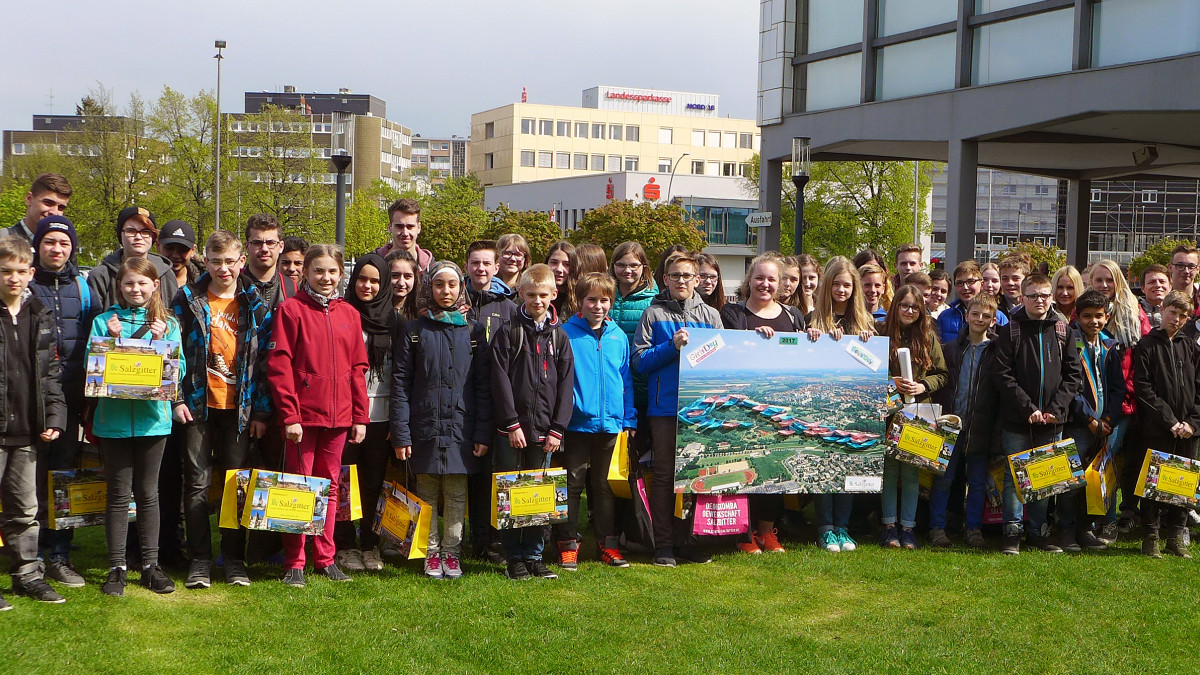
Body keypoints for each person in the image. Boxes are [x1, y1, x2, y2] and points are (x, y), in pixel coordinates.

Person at [172, 230, 273, 589]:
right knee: (197, 484)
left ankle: (233, 558)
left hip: (240, 410)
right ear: (206, 261)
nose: (223, 269)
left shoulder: (254, 303)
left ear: (241, 261)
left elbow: (264, 363)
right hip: (198, 406)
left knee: (235, 484)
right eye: (216, 262)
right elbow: (173, 351)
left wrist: (261, 413)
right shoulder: (187, 299)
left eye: (230, 261)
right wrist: (178, 399)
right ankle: (199, 561)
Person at [266, 244, 369, 587]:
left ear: (341, 274)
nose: (326, 278)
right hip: (303, 418)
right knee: (299, 486)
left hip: (339, 418)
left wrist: (359, 417)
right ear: (306, 272)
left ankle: (325, 558)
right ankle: (294, 562)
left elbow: (358, 368)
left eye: (332, 272)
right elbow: (280, 364)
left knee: (329, 489)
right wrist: (289, 415)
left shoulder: (349, 314)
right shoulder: (291, 310)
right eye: (319, 271)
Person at [89, 256, 185, 596]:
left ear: (155, 286)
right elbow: (94, 372)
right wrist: (110, 341)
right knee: (117, 496)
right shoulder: (104, 322)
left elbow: (178, 373)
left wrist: (162, 344)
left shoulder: (168, 324)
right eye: (129, 283)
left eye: (142, 283)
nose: (135, 289)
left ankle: (150, 566)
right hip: (112, 423)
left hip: (152, 424)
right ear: (120, 286)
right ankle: (116, 567)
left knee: (148, 494)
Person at [392, 261, 491, 580]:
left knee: (457, 494)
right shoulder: (414, 331)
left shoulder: (474, 332)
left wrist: (481, 432)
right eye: (438, 285)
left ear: (461, 287)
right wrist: (402, 435)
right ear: (429, 288)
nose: (445, 291)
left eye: (451, 285)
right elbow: (400, 384)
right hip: (425, 426)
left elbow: (482, 386)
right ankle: (431, 553)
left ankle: (452, 552)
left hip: (461, 426)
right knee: (427, 493)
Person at [634, 251, 722, 567]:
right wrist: (671, 346)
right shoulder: (652, 314)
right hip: (664, 408)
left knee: (697, 475)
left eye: (687, 276)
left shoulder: (711, 316)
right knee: (663, 477)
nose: (681, 281)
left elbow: (721, 363)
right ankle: (664, 545)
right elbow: (640, 362)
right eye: (675, 276)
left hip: (700, 409)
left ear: (697, 280)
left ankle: (690, 540)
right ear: (665, 280)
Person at [491, 264, 575, 579]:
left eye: (543, 295)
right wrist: (511, 424)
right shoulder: (508, 331)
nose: (537, 300)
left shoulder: (560, 337)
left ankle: (535, 555)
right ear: (521, 294)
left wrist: (558, 429)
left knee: (540, 491)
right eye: (531, 295)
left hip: (546, 431)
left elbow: (567, 386)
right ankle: (514, 556)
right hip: (511, 430)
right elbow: (498, 381)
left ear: (553, 294)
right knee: (513, 491)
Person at [989, 273, 1082, 555]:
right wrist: (1027, 408)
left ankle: (1037, 532)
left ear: (1051, 297)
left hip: (1053, 421)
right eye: (1033, 296)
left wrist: (1055, 410)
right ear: (1023, 298)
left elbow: (1073, 375)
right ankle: (1012, 532)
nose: (1039, 300)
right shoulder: (1011, 330)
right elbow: (1003, 375)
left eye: (1043, 295)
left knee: (1044, 476)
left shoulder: (1063, 330)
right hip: (1018, 419)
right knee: (1014, 477)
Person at [720, 255, 806, 554]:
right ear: (749, 280)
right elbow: (728, 348)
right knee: (744, 463)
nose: (765, 284)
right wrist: (750, 338)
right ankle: (744, 535)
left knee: (772, 466)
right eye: (759, 278)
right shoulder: (733, 312)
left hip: (779, 403)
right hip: (743, 401)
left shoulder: (793, 316)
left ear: (781, 283)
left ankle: (768, 533)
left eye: (771, 279)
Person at [0, 235, 67, 608]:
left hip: (28, 429)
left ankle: (27, 574)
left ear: (31, 273)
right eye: (6, 271)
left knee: (26, 509)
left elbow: (50, 372)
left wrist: (54, 416)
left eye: (20, 271)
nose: (13, 278)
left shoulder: (39, 312)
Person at [27, 217, 94, 589]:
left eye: (64, 243)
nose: (57, 249)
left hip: (69, 397)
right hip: (29, 398)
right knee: (29, 479)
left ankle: (59, 556)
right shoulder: (25, 286)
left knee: (63, 478)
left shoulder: (84, 290)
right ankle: (31, 554)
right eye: (50, 242)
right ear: (38, 245)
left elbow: (95, 342)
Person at [555, 272, 637, 568]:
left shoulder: (618, 337)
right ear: (580, 300)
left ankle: (607, 543)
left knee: (604, 486)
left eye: (604, 300)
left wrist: (628, 418)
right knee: (572, 484)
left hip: (612, 424)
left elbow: (625, 378)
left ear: (611, 302)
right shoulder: (566, 333)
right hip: (577, 423)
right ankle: (568, 543)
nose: (598, 306)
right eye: (592, 299)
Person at [805, 256, 875, 553]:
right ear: (827, 286)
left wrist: (867, 340)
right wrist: (813, 338)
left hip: (853, 404)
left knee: (847, 464)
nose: (842, 290)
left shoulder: (866, 321)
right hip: (821, 401)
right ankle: (825, 529)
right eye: (836, 284)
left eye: (847, 284)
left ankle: (843, 528)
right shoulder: (813, 319)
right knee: (824, 465)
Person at [333, 254, 398, 574]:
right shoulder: (342, 314)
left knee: (374, 481)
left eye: (374, 281)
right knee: (345, 481)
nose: (368, 286)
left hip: (382, 416)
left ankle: (370, 544)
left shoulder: (394, 320)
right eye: (362, 279)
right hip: (345, 414)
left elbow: (401, 373)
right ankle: (344, 545)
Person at [878, 285, 947, 550]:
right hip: (889, 413)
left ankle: (908, 528)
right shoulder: (881, 333)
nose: (909, 311)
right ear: (895, 307)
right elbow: (869, 372)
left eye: (915, 307)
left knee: (911, 473)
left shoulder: (927, 337)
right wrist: (891, 382)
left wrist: (923, 386)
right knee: (889, 471)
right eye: (904, 305)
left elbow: (942, 374)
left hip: (917, 413)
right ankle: (888, 526)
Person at [1134, 290, 1200, 558]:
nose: (1177, 319)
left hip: (1189, 431)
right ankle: (1151, 535)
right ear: (1163, 310)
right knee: (1154, 482)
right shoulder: (1146, 346)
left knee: (1182, 483)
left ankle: (1176, 535)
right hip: (1158, 427)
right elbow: (1144, 389)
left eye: (1183, 315)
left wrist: (1192, 423)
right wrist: (1169, 421)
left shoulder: (1192, 347)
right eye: (1173, 312)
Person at [1057, 290, 1124, 552]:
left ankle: (1086, 528)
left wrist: (1108, 418)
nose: (1093, 321)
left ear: (1106, 317)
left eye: (1099, 316)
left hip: (1104, 423)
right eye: (1087, 316)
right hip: (1079, 423)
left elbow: (1118, 388)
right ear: (1078, 316)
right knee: (1072, 479)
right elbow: (1069, 387)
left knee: (1093, 477)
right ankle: (1065, 530)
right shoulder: (1071, 342)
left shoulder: (1110, 346)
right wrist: (1089, 419)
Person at [929, 295, 998, 549]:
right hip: (950, 424)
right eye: (975, 314)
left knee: (978, 481)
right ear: (967, 315)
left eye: (986, 316)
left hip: (981, 426)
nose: (980, 319)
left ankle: (973, 529)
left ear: (993, 320)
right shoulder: (951, 349)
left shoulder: (996, 351)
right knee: (944, 478)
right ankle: (937, 527)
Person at [88, 206, 179, 310]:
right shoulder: (101, 276)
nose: (138, 237)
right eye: (131, 231)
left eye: (145, 232)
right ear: (120, 235)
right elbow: (93, 320)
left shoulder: (166, 274)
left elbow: (175, 318)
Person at [937, 260, 1008, 344]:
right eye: (960, 283)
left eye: (970, 282)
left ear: (982, 284)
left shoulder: (998, 317)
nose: (965, 287)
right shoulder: (945, 316)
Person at [240, 213, 298, 310]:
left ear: (281, 246)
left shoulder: (293, 289)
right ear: (247, 247)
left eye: (271, 243)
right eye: (257, 243)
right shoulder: (234, 285)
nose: (264, 249)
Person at [464, 240, 517, 342]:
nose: (481, 268)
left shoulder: (509, 309)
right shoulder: (455, 305)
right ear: (466, 267)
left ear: (496, 268)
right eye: (475, 263)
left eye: (486, 263)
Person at [5, 173, 70, 242]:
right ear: (29, 199)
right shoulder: (4, 241)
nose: (54, 212)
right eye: (48, 203)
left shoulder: (63, 247)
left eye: (61, 208)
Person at [373, 198, 433, 274]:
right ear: (390, 227)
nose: (405, 233)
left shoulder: (431, 270)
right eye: (399, 226)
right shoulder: (372, 265)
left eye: (410, 227)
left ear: (419, 227)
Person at [159, 220, 203, 288]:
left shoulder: (206, 282)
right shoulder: (146, 279)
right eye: (169, 248)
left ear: (193, 250)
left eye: (183, 250)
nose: (175, 255)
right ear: (158, 246)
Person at [546, 241, 579, 317]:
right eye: (554, 263)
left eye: (566, 264)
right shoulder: (533, 293)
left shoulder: (580, 298)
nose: (559, 269)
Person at [385, 249, 420, 319]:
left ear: (415, 279)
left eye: (407, 276)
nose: (401, 283)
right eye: (395, 276)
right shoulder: (374, 312)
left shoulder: (422, 313)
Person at [495, 233, 531, 300]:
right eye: (507, 253)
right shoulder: (487, 288)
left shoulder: (529, 291)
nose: (513, 259)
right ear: (497, 256)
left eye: (518, 255)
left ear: (525, 259)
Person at [1167, 244, 1200, 314]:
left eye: (1191, 266)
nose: (1186, 271)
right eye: (1180, 265)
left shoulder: (1198, 301)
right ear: (1170, 267)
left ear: (1198, 269)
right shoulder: (1161, 299)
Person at [997, 255, 1030, 319]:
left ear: (1026, 279)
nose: (1010, 283)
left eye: (1015, 278)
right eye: (1005, 278)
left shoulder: (1035, 306)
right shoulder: (994, 308)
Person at [1138, 263, 1170, 329]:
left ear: (1170, 286)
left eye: (1162, 281)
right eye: (1152, 282)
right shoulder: (1133, 311)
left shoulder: (1177, 312)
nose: (1158, 285)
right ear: (1143, 288)